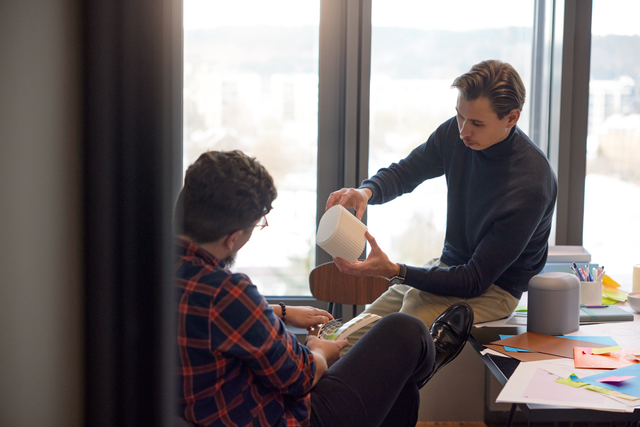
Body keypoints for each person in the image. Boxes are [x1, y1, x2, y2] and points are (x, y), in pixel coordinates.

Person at [174, 150, 474, 427]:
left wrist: (280, 311)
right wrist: (320, 352)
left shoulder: (148, 274)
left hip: (212, 409)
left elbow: (214, 319)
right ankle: (425, 360)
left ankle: (411, 368)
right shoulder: (228, 293)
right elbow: (300, 377)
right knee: (405, 330)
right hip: (289, 417)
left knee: (402, 388)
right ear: (232, 238)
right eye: (257, 226)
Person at [326, 60, 558, 346]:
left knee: (397, 331)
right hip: (450, 268)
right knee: (343, 337)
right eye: (460, 116)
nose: (463, 131)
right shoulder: (456, 134)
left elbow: (474, 280)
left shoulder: (531, 184)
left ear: (511, 118)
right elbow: (407, 171)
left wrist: (396, 270)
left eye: (477, 123)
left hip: (494, 290)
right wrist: (367, 191)